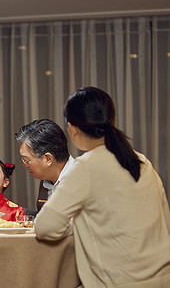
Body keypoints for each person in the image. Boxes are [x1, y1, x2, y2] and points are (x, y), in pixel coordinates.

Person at [35, 86, 170, 287]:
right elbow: (164, 220)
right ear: (113, 121)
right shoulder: (142, 162)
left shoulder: (86, 167)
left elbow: (45, 227)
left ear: (71, 128)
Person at [15, 119, 74, 212]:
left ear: (48, 159)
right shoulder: (47, 179)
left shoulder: (79, 180)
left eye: (26, 160)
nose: (24, 165)